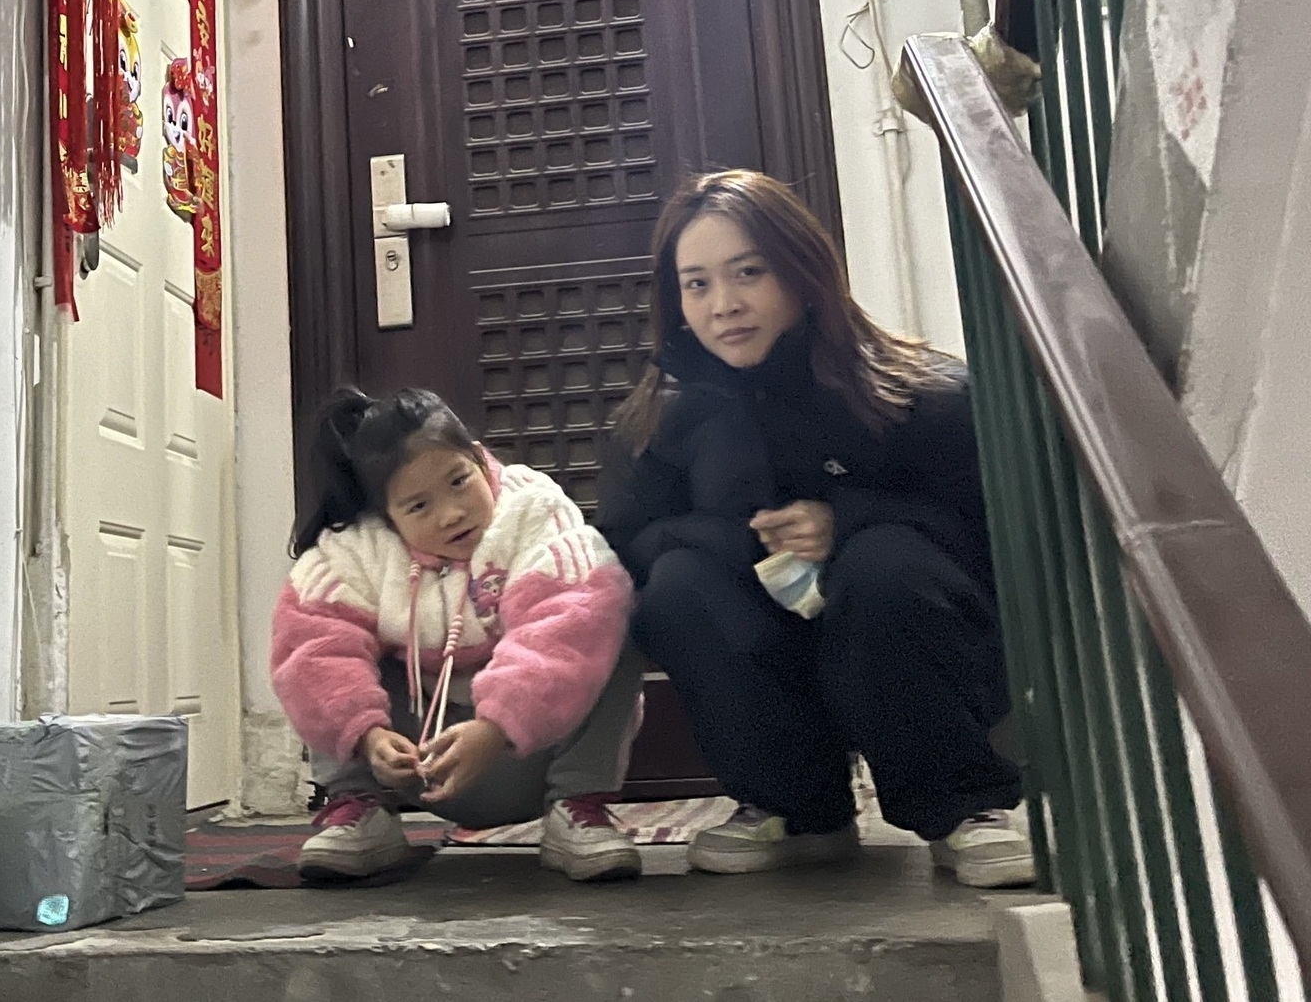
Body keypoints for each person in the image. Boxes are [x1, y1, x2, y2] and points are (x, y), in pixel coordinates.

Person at [598, 169, 1033, 887]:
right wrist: (734, 542)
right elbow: (625, 548)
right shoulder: (656, 422)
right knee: (676, 584)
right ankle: (796, 809)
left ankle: (963, 807)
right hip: (766, 647)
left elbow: (995, 536)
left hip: (906, 639)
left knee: (882, 562)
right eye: (697, 284)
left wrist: (849, 521)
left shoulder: (918, 394)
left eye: (748, 273)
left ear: (803, 272)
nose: (724, 305)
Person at [271, 386, 644, 883]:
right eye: (419, 506)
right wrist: (367, 737)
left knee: (606, 605)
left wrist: (496, 727)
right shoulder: (355, 550)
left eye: (459, 481)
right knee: (318, 641)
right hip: (413, 762)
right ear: (386, 516)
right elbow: (311, 648)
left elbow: (569, 622)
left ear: (477, 457)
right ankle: (359, 808)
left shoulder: (534, 515)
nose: (451, 513)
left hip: (529, 753)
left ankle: (579, 807)